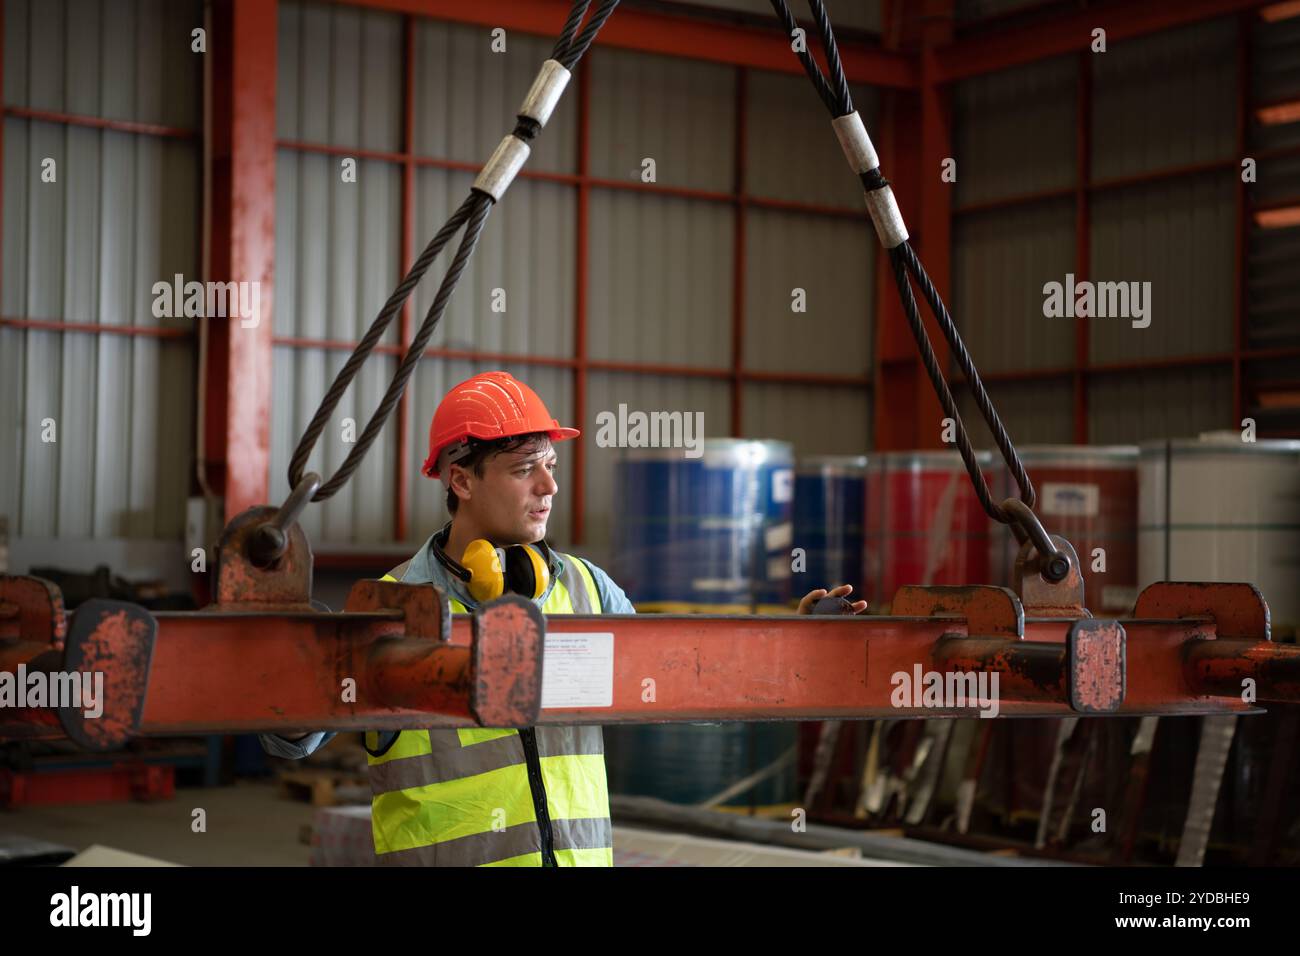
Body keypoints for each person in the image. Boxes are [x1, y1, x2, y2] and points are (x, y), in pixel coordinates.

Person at [261, 370, 863, 866]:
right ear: (461, 479)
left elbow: (691, 686)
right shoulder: (390, 605)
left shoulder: (585, 589)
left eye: (551, 464)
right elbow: (292, 739)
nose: (549, 485)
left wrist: (794, 644)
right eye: (525, 469)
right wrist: (289, 662)